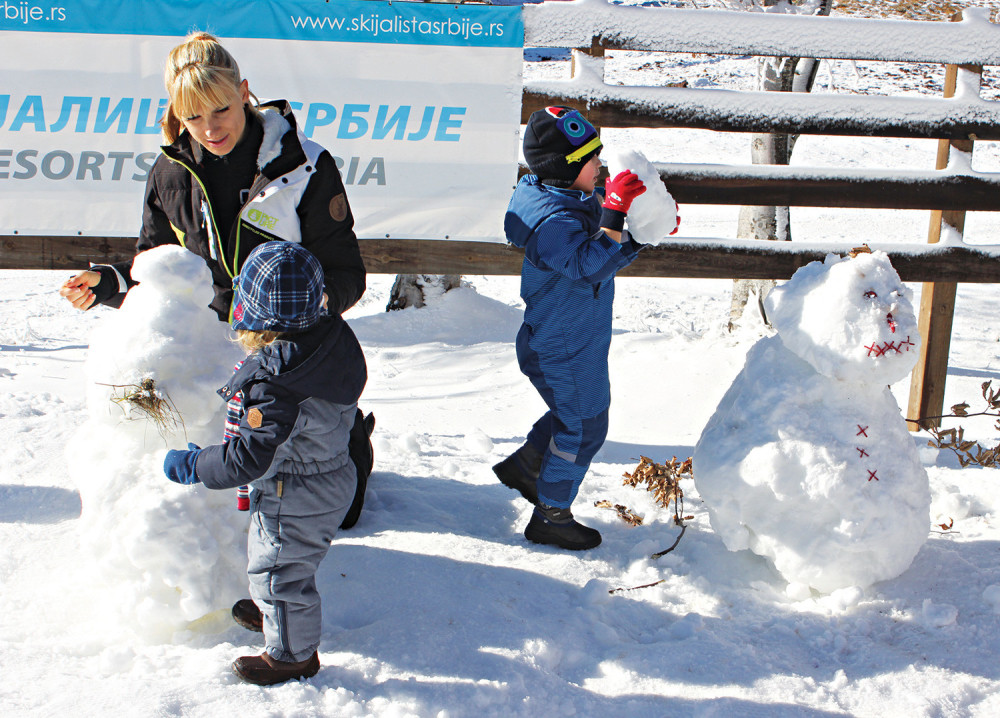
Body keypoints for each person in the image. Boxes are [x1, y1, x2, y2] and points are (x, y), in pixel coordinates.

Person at [163, 241, 367, 686]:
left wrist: (195, 464)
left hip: (294, 491)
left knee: (280, 572)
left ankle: (293, 654)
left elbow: (246, 460)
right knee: (277, 560)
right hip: (325, 474)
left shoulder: (278, 386)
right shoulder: (330, 334)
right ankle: (276, 612)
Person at [58, 30, 366, 321]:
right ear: (178, 114)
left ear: (243, 93)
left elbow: (344, 272)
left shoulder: (303, 164)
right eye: (193, 116)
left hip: (287, 345)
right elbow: (159, 271)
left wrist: (313, 301)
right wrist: (106, 282)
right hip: (206, 347)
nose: (210, 129)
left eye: (221, 110)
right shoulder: (169, 174)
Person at [494, 105, 660, 551]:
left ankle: (529, 466)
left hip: (575, 341)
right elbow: (587, 265)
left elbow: (598, 260)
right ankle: (551, 515)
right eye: (591, 158)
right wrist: (615, 212)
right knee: (584, 427)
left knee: (578, 416)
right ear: (567, 169)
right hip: (558, 346)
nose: (600, 166)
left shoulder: (566, 198)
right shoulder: (553, 222)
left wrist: (640, 234)